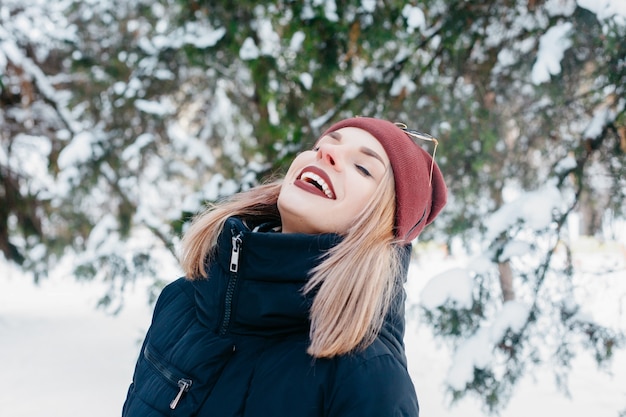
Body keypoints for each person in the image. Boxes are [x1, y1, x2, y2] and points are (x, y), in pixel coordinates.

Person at [122, 116, 447, 417]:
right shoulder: (181, 301)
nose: (327, 155)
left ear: (384, 228)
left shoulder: (369, 377)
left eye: (362, 167)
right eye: (323, 146)